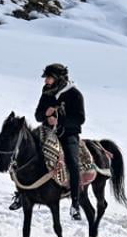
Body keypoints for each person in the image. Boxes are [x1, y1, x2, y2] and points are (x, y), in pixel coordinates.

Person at [9, 63, 88, 219]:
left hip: (68, 135)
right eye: (46, 78)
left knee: (72, 161)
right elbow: (38, 116)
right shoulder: (46, 93)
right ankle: (20, 193)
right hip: (47, 132)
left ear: (59, 78)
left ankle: (75, 203)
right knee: (26, 153)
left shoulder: (75, 94)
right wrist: (46, 114)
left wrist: (59, 121)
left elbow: (80, 118)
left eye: (49, 78)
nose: (46, 81)